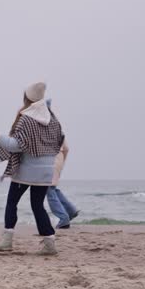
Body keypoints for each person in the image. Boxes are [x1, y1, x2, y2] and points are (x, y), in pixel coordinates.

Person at [0, 82, 65, 255]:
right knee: (38, 205)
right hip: (47, 170)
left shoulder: (26, 118)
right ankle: (49, 243)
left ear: (26, 98)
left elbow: (18, 145)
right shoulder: (53, 119)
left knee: (12, 202)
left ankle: (6, 241)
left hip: (27, 170)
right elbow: (59, 140)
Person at [44, 98, 80, 229]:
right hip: (59, 158)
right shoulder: (56, 124)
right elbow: (67, 148)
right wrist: (62, 162)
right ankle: (71, 210)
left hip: (50, 159)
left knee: (48, 190)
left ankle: (64, 218)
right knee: (53, 188)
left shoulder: (44, 123)